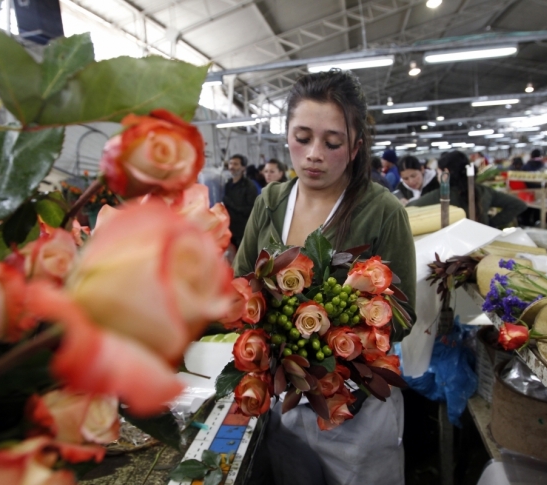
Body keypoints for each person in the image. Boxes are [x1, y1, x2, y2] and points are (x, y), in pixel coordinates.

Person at [233, 70, 415, 485]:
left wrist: (333, 336)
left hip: (354, 410)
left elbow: (404, 317)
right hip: (285, 398)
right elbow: (240, 284)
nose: (314, 153)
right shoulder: (271, 202)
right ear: (286, 136)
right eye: (302, 137)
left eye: (332, 143)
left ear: (354, 148)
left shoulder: (382, 210)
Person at [408, 150, 527, 228]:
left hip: (455, 254)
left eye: (438, 172)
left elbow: (408, 209)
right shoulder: (483, 191)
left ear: (446, 173)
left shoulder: (441, 195)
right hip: (483, 246)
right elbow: (518, 204)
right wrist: (491, 224)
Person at [223, 154, 259, 248]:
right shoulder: (228, 184)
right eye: (230, 163)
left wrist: (230, 204)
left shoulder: (249, 186)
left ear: (243, 168)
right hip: (229, 230)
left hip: (242, 231)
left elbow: (251, 210)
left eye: (236, 164)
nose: (232, 167)